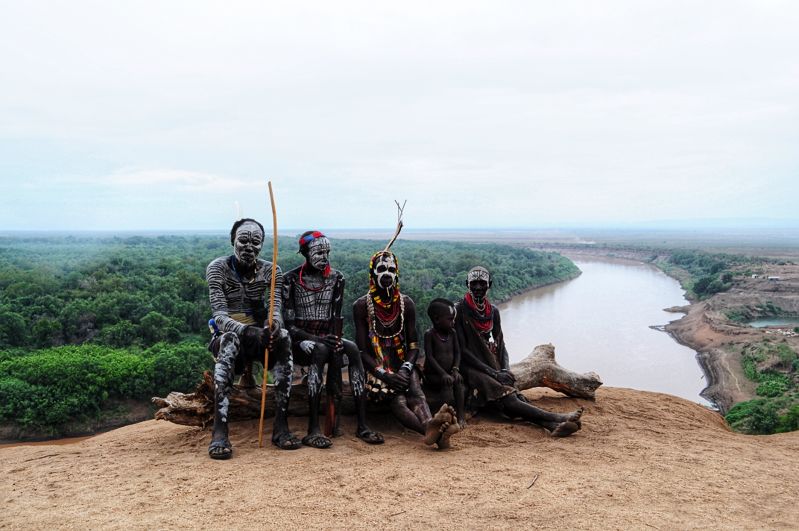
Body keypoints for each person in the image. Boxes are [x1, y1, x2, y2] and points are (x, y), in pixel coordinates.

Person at [205, 218, 300, 459]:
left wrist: (273, 326)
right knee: (229, 341)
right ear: (233, 241)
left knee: (285, 338)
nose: (249, 246)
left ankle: (281, 426)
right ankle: (220, 431)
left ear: (262, 245)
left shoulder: (271, 270)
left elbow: (275, 307)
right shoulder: (217, 268)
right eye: (243, 240)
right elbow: (219, 316)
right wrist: (248, 331)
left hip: (260, 335)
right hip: (230, 335)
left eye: (255, 242)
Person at [283, 230, 383, 448]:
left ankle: (362, 424)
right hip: (301, 340)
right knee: (318, 350)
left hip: (327, 337)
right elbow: (288, 325)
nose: (324, 257)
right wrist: (313, 338)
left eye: (327, 252)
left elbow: (336, 316)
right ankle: (313, 429)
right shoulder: (290, 280)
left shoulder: (337, 278)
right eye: (318, 253)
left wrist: (337, 340)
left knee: (353, 349)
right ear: (305, 253)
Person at [455, 266, 583, 436]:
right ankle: (555, 418)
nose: (478, 287)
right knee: (506, 396)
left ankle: (550, 425)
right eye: (474, 283)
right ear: (467, 284)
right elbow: (463, 350)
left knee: (510, 394)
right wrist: (494, 374)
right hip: (470, 367)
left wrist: (506, 370)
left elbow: (501, 344)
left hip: (491, 364)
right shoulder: (460, 310)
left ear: (489, 284)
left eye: (482, 283)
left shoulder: (492, 311)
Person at [353, 250, 460, 449]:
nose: (387, 274)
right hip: (376, 367)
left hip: (403, 363)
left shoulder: (406, 304)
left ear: (397, 273)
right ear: (373, 274)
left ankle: (433, 429)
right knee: (398, 401)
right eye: (381, 269)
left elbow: (413, 346)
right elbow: (361, 352)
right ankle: (432, 430)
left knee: (416, 393)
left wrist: (406, 368)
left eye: (391, 269)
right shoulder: (361, 306)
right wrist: (384, 374)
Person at [422, 298, 466, 428]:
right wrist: (442, 374)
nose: (453, 322)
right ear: (436, 319)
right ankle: (446, 416)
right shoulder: (429, 335)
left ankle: (461, 416)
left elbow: (458, 353)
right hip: (434, 376)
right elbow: (430, 357)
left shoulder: (452, 333)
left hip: (449, 372)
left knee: (458, 381)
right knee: (447, 383)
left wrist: (455, 369)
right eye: (450, 319)